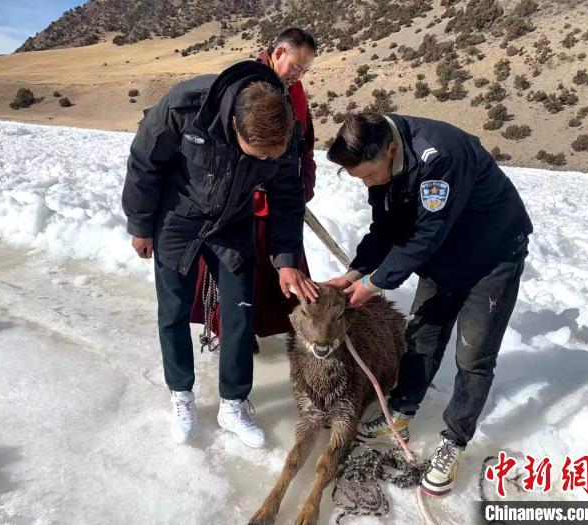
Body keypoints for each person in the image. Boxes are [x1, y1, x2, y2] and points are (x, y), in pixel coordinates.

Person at [325, 112, 533, 496]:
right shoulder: (381, 163)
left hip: (492, 256)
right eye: (360, 178)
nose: (368, 183)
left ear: (391, 149)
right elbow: (386, 229)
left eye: (369, 175)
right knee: (422, 336)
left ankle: (455, 440)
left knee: (473, 355)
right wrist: (354, 274)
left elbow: (423, 237)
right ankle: (400, 414)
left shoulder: (441, 158)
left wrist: (373, 285)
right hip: (444, 254)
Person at [122, 61, 319, 448]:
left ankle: (233, 404)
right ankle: (182, 395)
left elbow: (287, 196)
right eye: (258, 156)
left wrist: (285, 259)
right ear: (234, 127)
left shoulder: (285, 126)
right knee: (173, 311)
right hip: (177, 217)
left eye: (272, 157)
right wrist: (141, 225)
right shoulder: (184, 106)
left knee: (240, 311)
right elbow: (145, 163)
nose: (267, 162)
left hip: (233, 222)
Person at [191, 28, 317, 353]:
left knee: (278, 263)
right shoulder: (245, 85)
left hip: (280, 195)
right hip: (237, 199)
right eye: (296, 66)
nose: (299, 75)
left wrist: (304, 182)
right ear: (278, 53)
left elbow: (304, 144)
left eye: (305, 70)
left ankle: (260, 325)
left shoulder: (296, 93)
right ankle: (234, 331)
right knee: (234, 264)